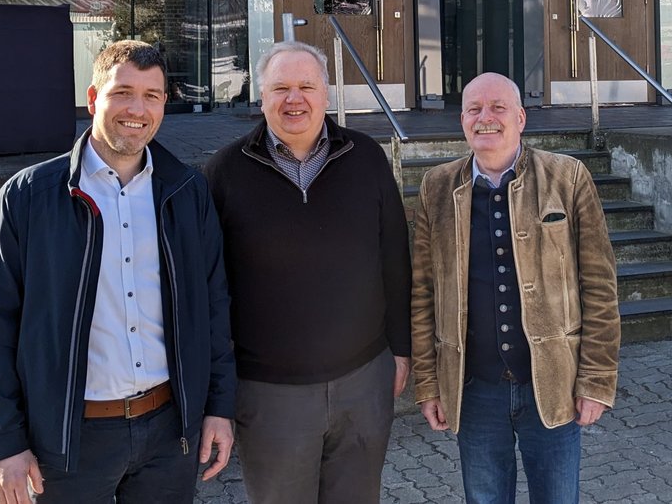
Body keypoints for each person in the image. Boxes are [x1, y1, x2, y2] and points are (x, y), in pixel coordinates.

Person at [0, 40, 235, 504]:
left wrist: (218, 407)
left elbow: (212, 308)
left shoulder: (186, 191)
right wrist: (3, 443)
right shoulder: (27, 198)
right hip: (69, 440)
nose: (137, 109)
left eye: (152, 96)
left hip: (168, 431)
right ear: (93, 98)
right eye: (123, 92)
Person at [204, 40, 411, 504]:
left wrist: (401, 349)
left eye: (305, 86)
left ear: (326, 95)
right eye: (280, 88)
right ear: (261, 97)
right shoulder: (223, 173)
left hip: (363, 382)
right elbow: (209, 289)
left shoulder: (366, 157)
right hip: (269, 395)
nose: (293, 99)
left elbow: (395, 256)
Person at [410, 71, 620, 504]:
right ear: (462, 121)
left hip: (553, 384)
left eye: (498, 108)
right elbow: (422, 293)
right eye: (474, 109)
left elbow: (599, 285)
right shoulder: (437, 187)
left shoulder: (568, 177)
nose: (485, 118)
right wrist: (429, 384)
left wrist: (596, 379)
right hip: (474, 391)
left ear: (521, 118)